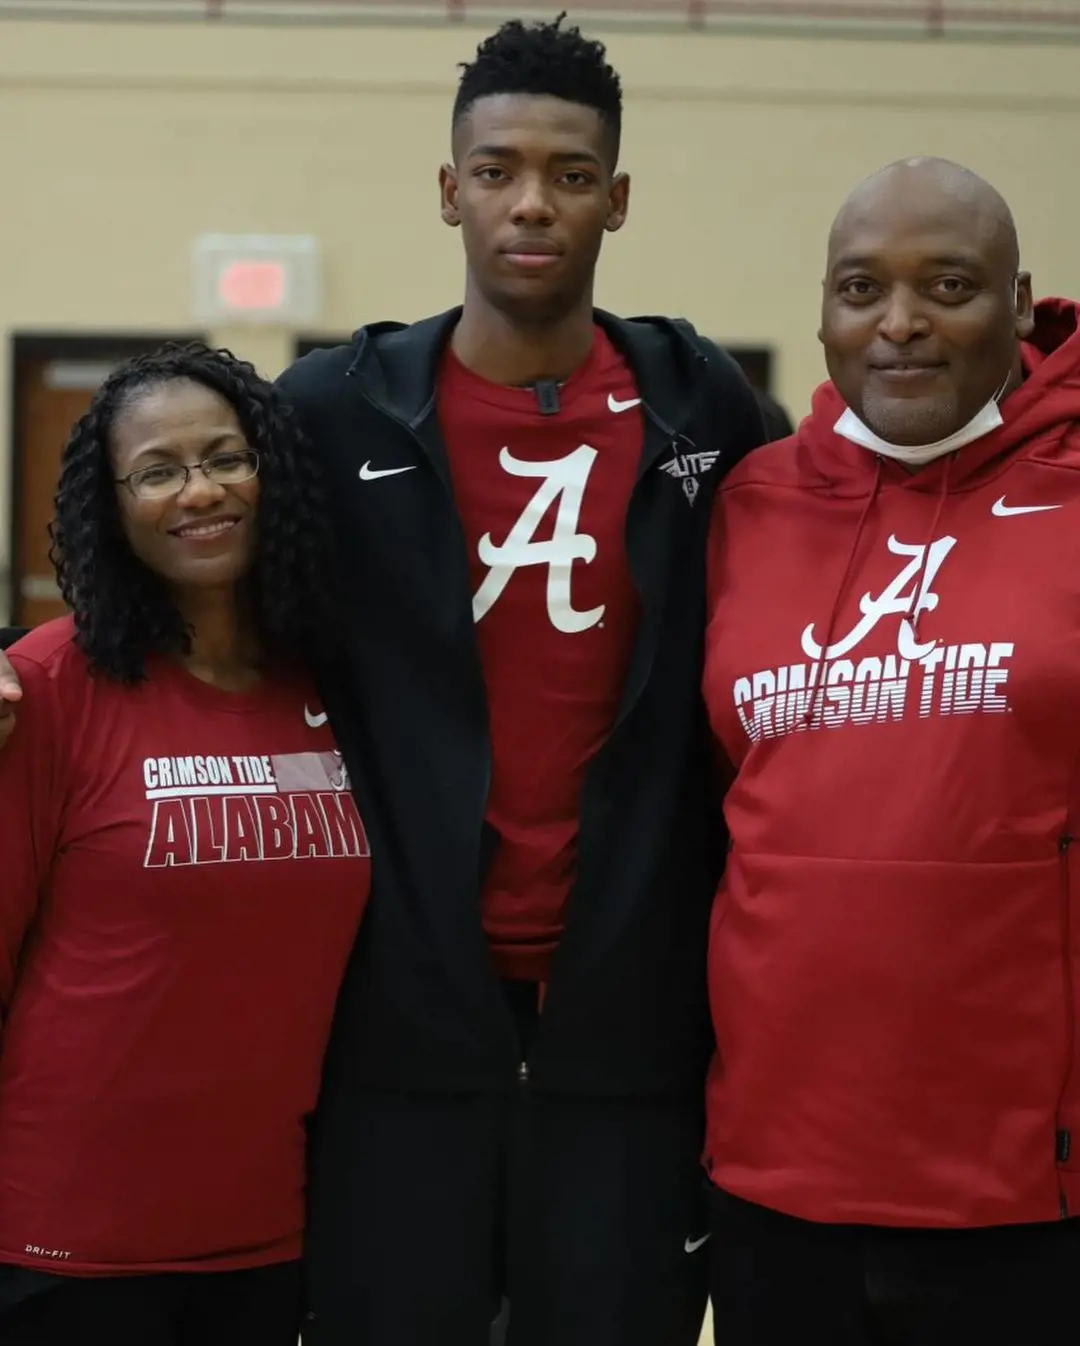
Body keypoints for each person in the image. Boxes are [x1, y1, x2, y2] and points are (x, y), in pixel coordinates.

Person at [0, 18, 764, 1345]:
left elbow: (854, 519)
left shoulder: (706, 410)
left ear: (620, 199)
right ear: (448, 187)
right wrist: (26, 675)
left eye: (572, 174)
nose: (533, 200)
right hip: (394, 1043)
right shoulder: (331, 411)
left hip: (628, 1040)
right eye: (498, 168)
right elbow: (197, 574)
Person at [702, 155, 1080, 1345]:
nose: (901, 323)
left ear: (1021, 306)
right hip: (773, 1184)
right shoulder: (756, 502)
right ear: (821, 311)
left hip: (1030, 1195)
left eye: (951, 284)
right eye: (862, 288)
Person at [0, 343, 371, 1345]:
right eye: (158, 470)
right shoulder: (47, 690)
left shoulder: (333, 685)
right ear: (113, 506)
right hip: (66, 1233)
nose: (199, 490)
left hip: (265, 1228)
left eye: (225, 457)